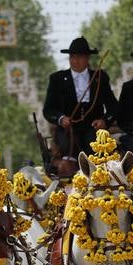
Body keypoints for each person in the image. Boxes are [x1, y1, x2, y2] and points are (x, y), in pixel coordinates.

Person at [43, 36, 118, 168]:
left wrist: (104, 121)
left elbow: (114, 107)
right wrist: (61, 119)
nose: (75, 60)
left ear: (87, 58)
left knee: (97, 150)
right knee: (68, 150)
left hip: (93, 129)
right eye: (72, 57)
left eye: (79, 57)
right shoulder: (57, 79)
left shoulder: (99, 78)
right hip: (67, 130)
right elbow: (48, 109)